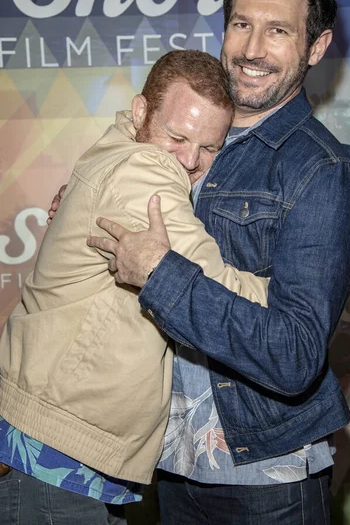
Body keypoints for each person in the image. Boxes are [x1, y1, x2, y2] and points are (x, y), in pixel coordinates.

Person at [85, 0, 350, 524]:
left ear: (316, 46)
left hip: (264, 478)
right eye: (241, 23)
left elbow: (294, 355)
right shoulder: (185, 134)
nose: (252, 49)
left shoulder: (320, 172)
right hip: (164, 459)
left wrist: (162, 275)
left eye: (278, 31)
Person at [0, 50, 270, 525]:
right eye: (177, 136)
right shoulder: (145, 169)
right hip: (52, 453)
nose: (190, 161)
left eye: (210, 147)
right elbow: (219, 292)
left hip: (53, 441)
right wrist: (303, 294)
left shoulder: (117, 146)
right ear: (141, 111)